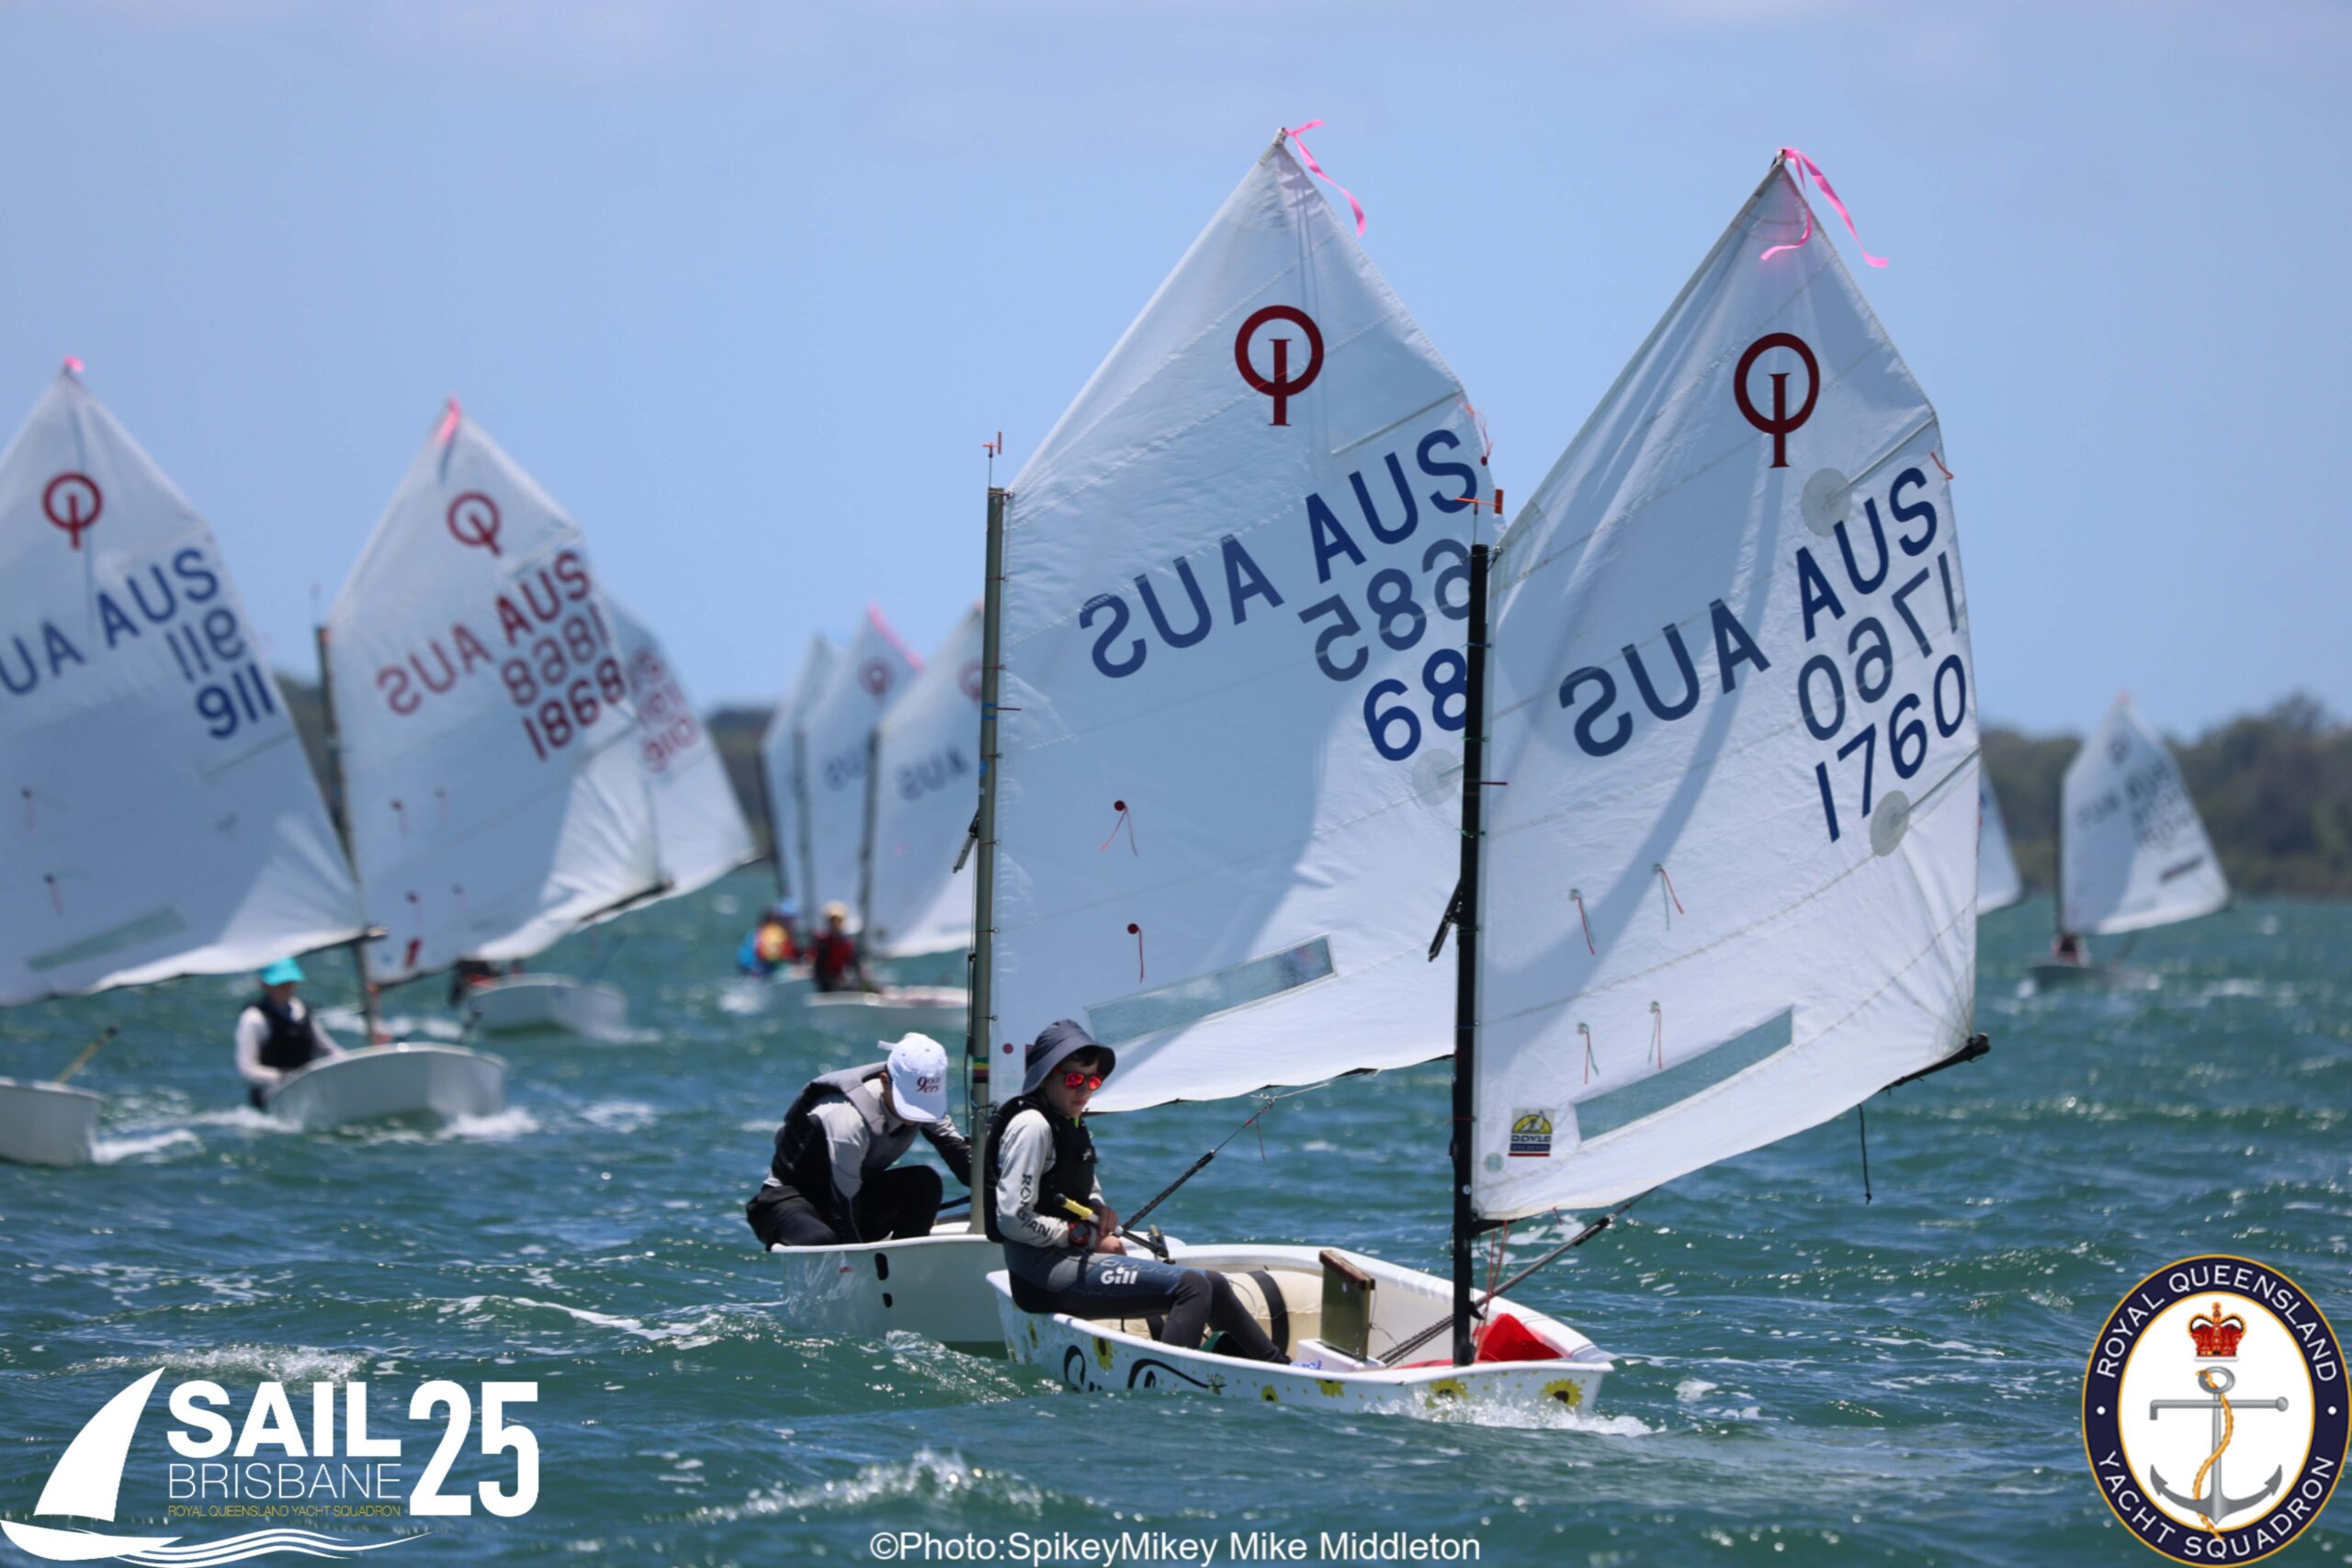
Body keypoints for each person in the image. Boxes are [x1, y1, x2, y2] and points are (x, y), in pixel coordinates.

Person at [983, 1019, 1287, 1364]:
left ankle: (1278, 1368)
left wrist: (1097, 1207)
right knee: (1192, 1287)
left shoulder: (1071, 1121)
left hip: (1068, 1257)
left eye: (1092, 1081)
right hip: (1040, 1275)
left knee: (1213, 1283)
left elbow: (1081, 1183)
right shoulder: (1032, 1126)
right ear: (1045, 1076)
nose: (1083, 1091)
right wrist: (1085, 1236)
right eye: (1073, 1080)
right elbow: (1013, 1218)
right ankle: (1168, 1384)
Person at [746, 1033, 971, 1247]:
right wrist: (855, 1264)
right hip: (789, 1203)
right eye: (910, 1103)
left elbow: (966, 1167)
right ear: (885, 1081)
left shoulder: (928, 1109)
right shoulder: (849, 1118)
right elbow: (843, 1211)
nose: (917, 1115)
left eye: (924, 1104)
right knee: (823, 1240)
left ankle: (908, 1265)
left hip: (853, 1197)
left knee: (924, 1182)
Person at [234, 958, 345, 1108]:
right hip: (273, 1093)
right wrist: (282, 1077)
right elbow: (247, 1069)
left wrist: (348, 1063)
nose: (286, 988)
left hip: (307, 1087)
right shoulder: (253, 1019)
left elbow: (328, 1049)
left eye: (289, 982)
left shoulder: (302, 1010)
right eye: (280, 984)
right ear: (264, 984)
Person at [808, 901, 865, 993]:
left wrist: (859, 978)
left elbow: (854, 963)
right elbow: (818, 967)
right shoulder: (822, 942)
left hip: (841, 982)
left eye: (838, 921)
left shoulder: (847, 943)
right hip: (826, 985)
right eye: (832, 921)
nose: (835, 924)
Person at [736, 901, 800, 977]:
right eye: (789, 919)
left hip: (749, 967)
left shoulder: (756, 932)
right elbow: (771, 954)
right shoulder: (774, 932)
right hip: (760, 968)